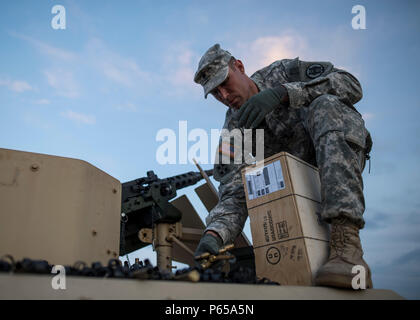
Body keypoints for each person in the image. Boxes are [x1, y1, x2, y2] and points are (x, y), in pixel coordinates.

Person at [193, 44, 373, 289]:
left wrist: (285, 93)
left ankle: (347, 246)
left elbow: (350, 84)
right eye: (215, 93)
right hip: (290, 191)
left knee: (327, 105)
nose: (223, 96)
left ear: (239, 67)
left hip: (334, 161)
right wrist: (214, 235)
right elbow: (235, 192)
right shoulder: (233, 132)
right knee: (253, 180)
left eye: (225, 84)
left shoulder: (282, 73)